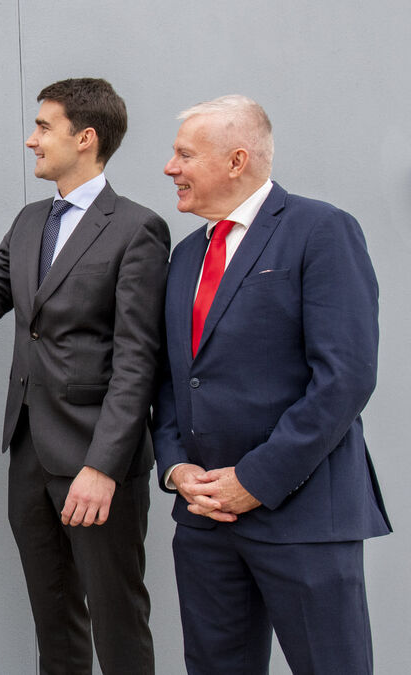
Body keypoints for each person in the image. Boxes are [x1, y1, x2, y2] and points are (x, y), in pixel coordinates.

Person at [0, 78, 168, 674]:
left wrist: (102, 468)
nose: (32, 140)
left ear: (85, 138)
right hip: (29, 452)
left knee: (117, 620)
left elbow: (137, 361)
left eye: (43, 127)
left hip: (97, 461)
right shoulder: (32, 220)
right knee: (53, 620)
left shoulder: (137, 228)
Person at [153, 95, 390, 675]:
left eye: (185, 154)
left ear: (236, 160)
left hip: (303, 517)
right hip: (206, 520)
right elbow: (173, 378)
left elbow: (345, 377)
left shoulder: (321, 230)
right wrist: (176, 466)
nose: (170, 167)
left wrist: (255, 480)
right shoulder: (186, 255)